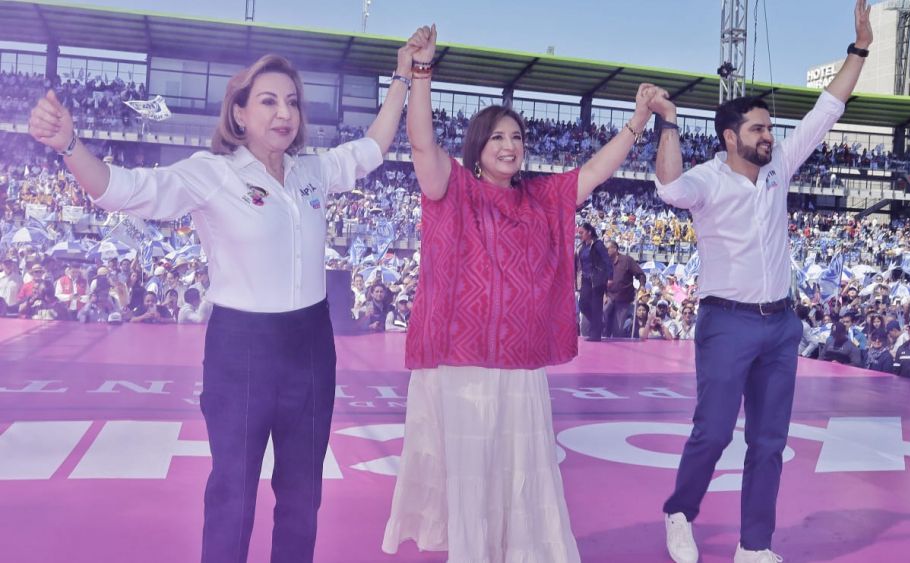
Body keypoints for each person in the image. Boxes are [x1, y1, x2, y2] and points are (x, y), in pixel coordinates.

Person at [29, 27, 423, 562]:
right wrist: (70, 146)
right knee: (233, 494)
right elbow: (122, 191)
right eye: (267, 101)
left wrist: (403, 74)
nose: (283, 112)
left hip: (310, 347)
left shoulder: (312, 173)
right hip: (241, 350)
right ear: (239, 114)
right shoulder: (210, 174)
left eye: (291, 102)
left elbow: (375, 145)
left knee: (303, 496)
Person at [383, 25, 660, 563]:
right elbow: (420, 141)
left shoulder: (542, 197)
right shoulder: (451, 189)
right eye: (498, 139)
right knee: (472, 477)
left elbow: (596, 172)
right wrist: (421, 73)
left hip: (520, 366)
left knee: (520, 476)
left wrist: (637, 123)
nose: (510, 147)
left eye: (517, 138)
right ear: (478, 150)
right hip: (462, 366)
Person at [650, 3, 872, 561]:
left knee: (769, 442)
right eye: (758, 128)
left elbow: (828, 109)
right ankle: (680, 512)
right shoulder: (706, 181)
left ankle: (754, 546)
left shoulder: (779, 171)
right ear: (730, 137)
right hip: (726, 321)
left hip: (781, 325)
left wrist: (860, 48)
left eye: (770, 127)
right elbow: (669, 188)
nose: (770, 135)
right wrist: (670, 122)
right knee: (714, 432)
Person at [576, 222, 612, 341]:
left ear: (589, 232)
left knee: (596, 306)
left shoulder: (597, 244)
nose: (580, 235)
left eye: (582, 232)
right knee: (582, 304)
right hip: (586, 279)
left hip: (597, 279)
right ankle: (598, 323)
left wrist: (610, 277)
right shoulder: (582, 246)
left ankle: (595, 335)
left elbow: (607, 260)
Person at [604, 240, 647, 337]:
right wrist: (604, 294)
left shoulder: (627, 261)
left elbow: (640, 275)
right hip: (609, 296)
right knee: (603, 313)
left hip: (623, 299)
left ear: (615, 249)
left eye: (607, 249)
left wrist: (642, 286)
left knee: (618, 329)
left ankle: (615, 348)